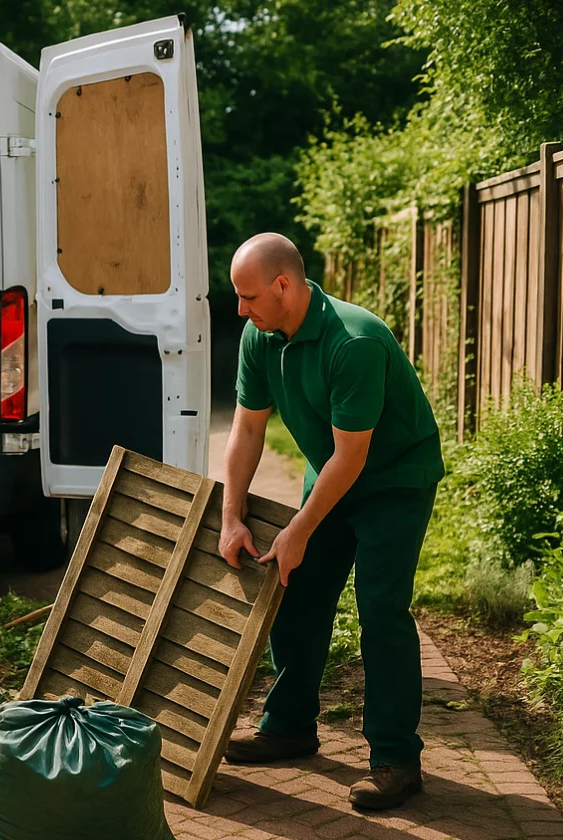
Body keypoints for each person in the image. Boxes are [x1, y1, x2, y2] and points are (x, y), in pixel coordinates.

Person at [218, 232, 444, 811]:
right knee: (297, 591)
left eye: (247, 296)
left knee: (380, 609)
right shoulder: (260, 337)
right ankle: (290, 726)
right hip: (335, 475)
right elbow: (246, 429)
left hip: (394, 481)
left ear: (284, 286)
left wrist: (297, 530)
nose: (240, 309)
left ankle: (396, 760)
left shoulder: (354, 341)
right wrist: (232, 516)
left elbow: (354, 457)